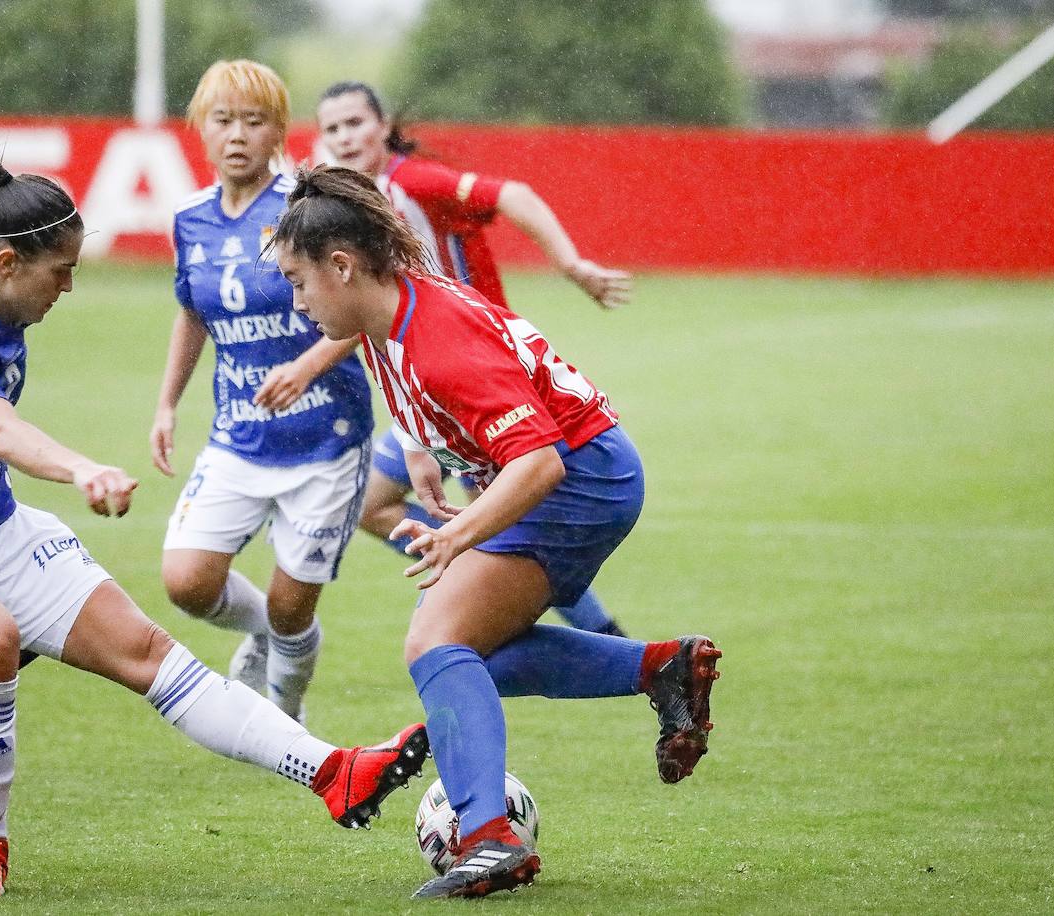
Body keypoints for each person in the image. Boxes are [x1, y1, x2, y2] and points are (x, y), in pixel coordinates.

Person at [0, 160, 427, 898]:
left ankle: (334, 773)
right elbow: (0, 432)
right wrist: (83, 470)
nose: (70, 287)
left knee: (150, 653)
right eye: (62, 271)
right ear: (10, 262)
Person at [270, 165, 722, 900]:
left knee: (437, 643)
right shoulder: (387, 310)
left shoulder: (436, 339)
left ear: (344, 267)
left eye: (299, 280)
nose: (297, 300)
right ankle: (659, 668)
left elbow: (538, 462)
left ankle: (488, 838)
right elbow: (417, 392)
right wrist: (422, 454)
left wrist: (458, 535)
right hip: (584, 472)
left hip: (581, 481)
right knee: (475, 655)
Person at [315, 80, 631, 636]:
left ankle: (599, 638)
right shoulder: (355, 214)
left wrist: (569, 263)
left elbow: (514, 194)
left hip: (473, 381)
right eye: (332, 128)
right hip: (429, 393)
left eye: (355, 123)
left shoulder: (411, 182)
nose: (344, 137)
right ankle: (466, 561)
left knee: (513, 534)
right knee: (373, 505)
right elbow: (372, 315)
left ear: (384, 125)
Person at [150, 60, 375, 720]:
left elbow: (369, 307)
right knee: (187, 582)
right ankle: (261, 637)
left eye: (255, 121)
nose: (238, 135)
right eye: (223, 120)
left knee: (290, 606)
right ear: (201, 128)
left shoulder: (308, 211)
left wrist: (307, 366)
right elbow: (192, 313)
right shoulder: (190, 219)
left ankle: (284, 717)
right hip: (239, 436)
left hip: (325, 438)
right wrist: (167, 402)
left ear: (279, 130)